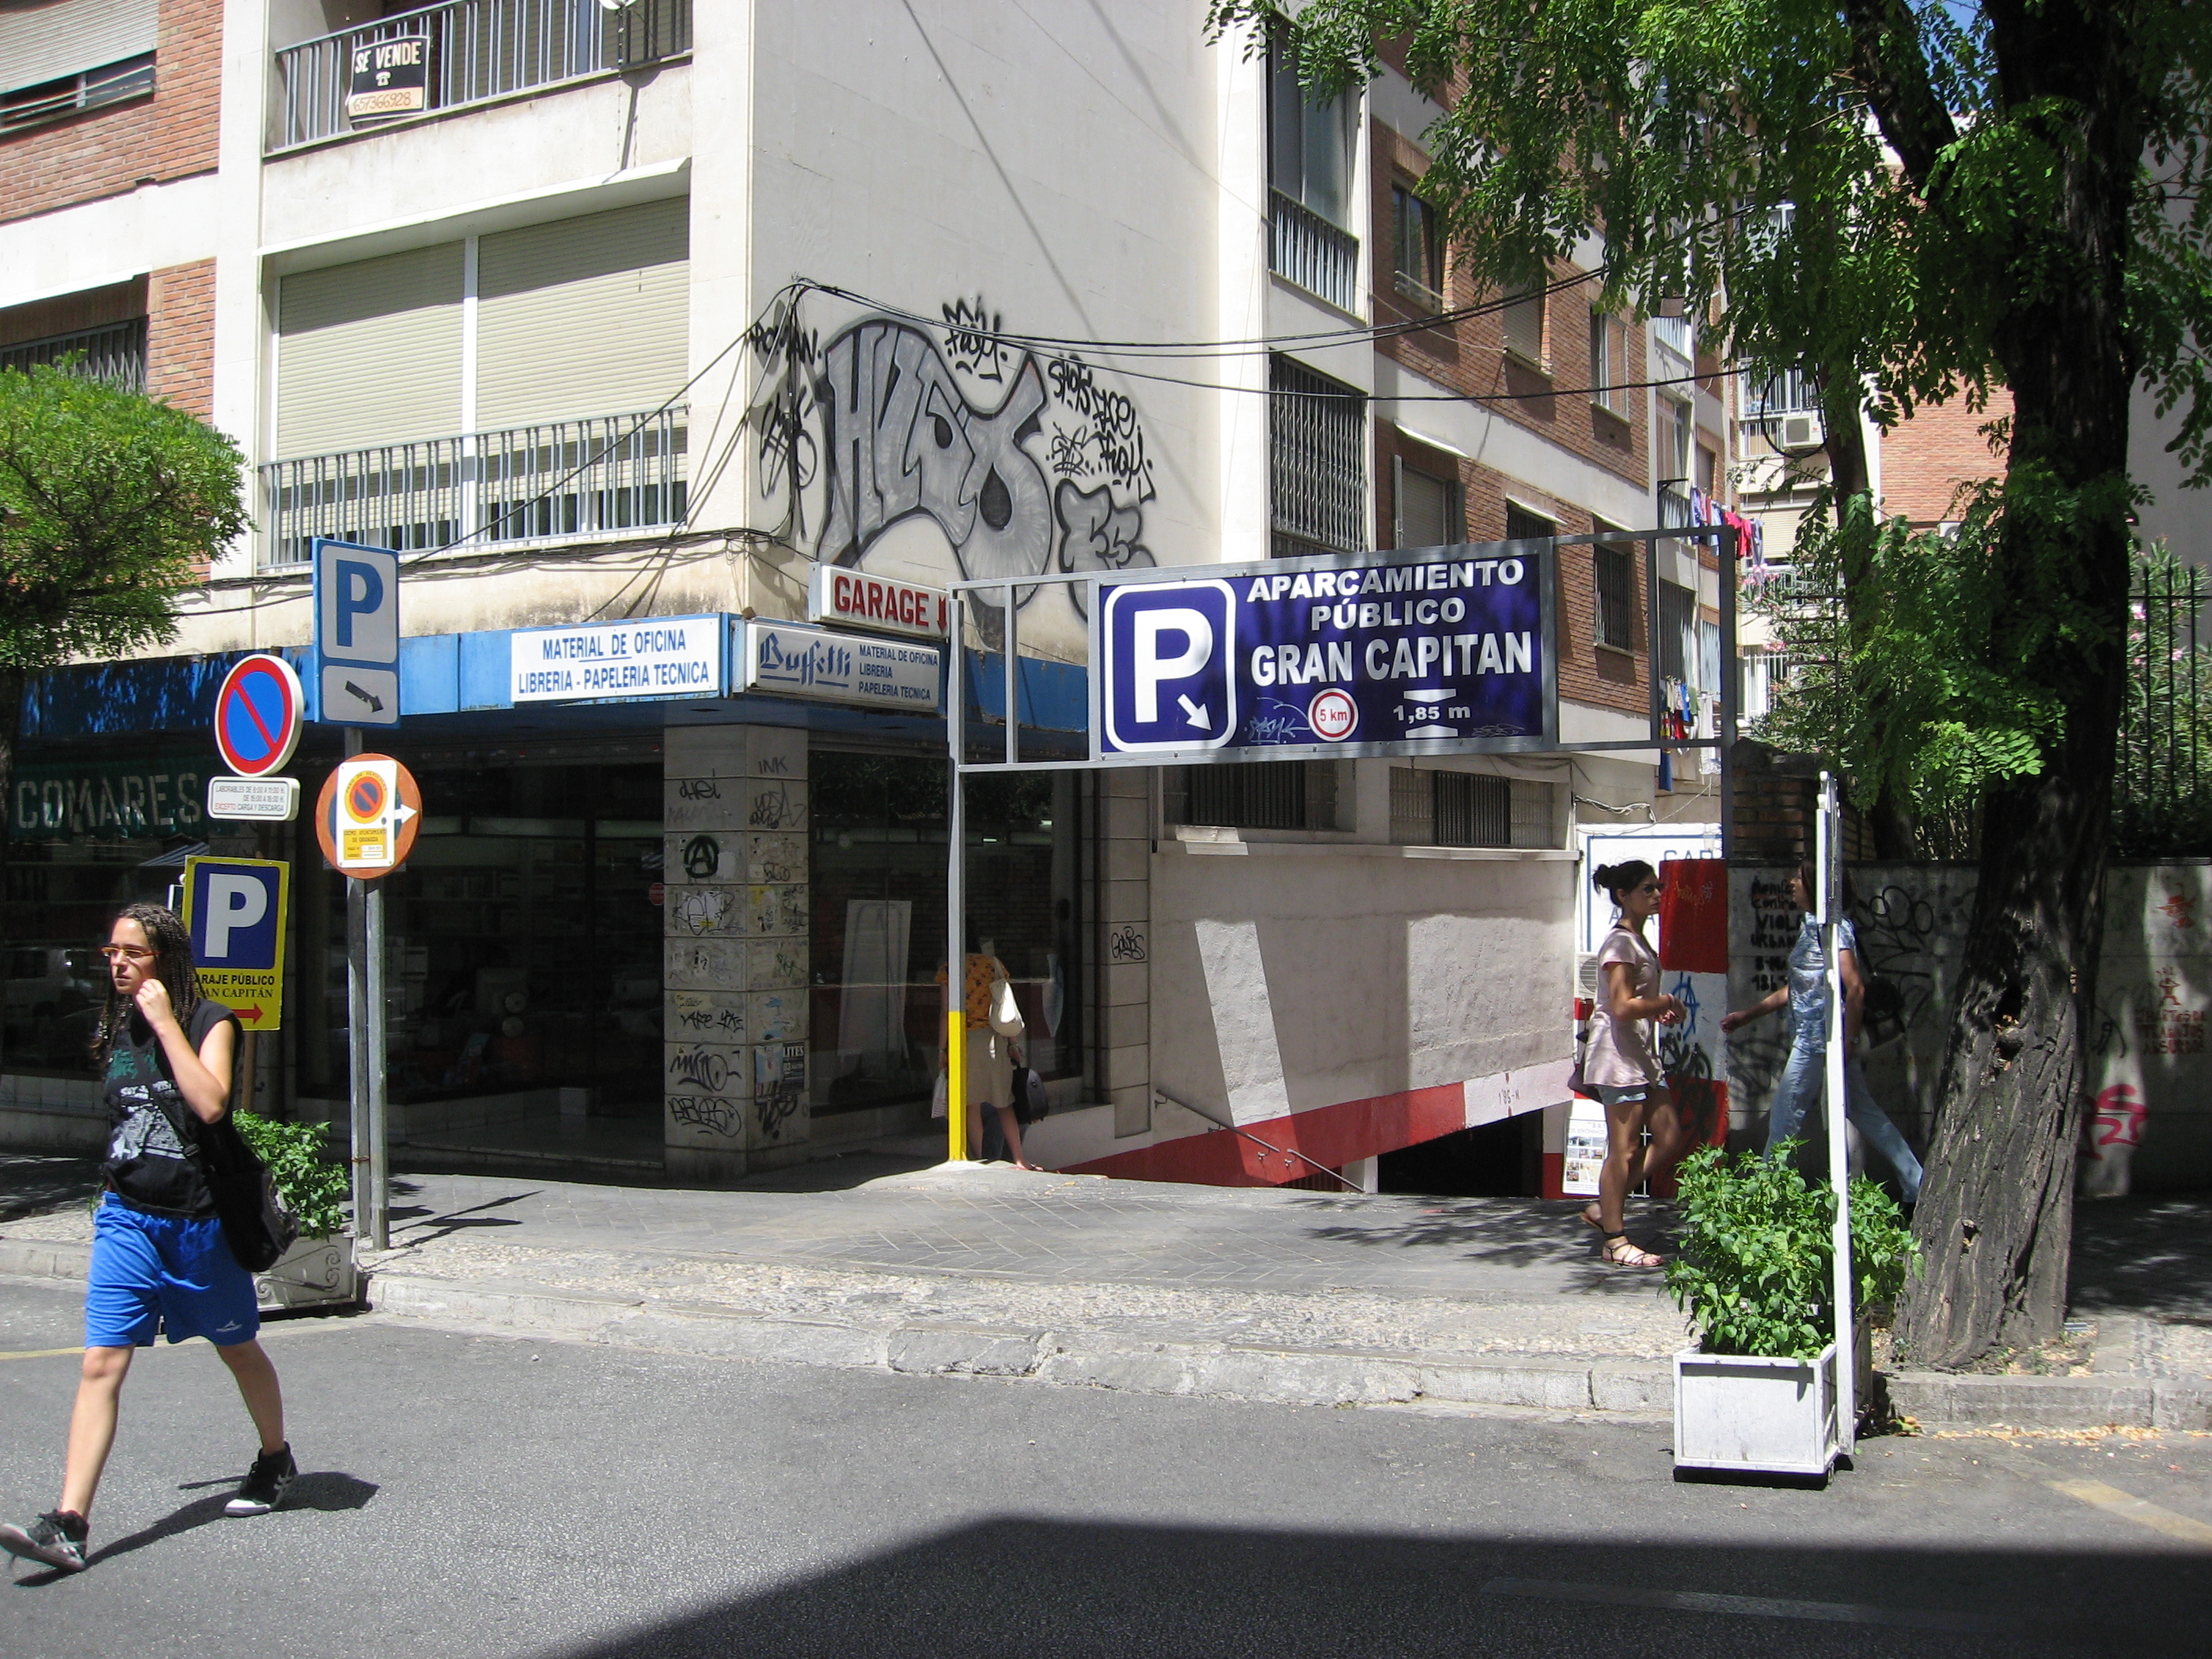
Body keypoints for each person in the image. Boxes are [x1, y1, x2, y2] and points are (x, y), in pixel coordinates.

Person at [1, 904, 295, 1577]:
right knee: (101, 1362)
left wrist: (165, 1024)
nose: (117, 964)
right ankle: (70, 1523)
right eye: (111, 953)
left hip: (199, 1224)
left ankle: (275, 1457)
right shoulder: (114, 1027)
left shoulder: (211, 1020)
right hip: (126, 1218)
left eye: (132, 953)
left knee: (237, 1348)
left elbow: (212, 1104)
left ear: (167, 958)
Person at [1720, 860, 1925, 1203]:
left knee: (1785, 1117)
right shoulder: (1812, 926)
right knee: (1863, 1110)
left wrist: (1849, 1040)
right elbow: (1800, 989)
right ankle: (1916, 1183)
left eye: (1798, 877)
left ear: (1816, 885)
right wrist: (1748, 1015)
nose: (1791, 882)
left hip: (1818, 1040)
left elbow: (1854, 987)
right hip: (1818, 1036)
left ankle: (1768, 1200)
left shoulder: (1833, 929)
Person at [1578, 862, 1690, 1267]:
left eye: (1657, 887)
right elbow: (1622, 1006)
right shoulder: (1621, 944)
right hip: (1618, 1058)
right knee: (1623, 1150)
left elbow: (1634, 1005)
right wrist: (1664, 1002)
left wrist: (1657, 1010)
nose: (1657, 895)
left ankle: (1606, 1205)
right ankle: (1615, 1239)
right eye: (1647, 889)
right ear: (1624, 896)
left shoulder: (1638, 941)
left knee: (1669, 1136)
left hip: (1641, 1056)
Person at [936, 929, 1039, 1170]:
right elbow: (1005, 1008)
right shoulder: (993, 965)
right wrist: (1013, 1044)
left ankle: (984, 1161)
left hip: (965, 1041)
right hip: (996, 1039)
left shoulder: (949, 969)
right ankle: (1019, 1158)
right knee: (1004, 1103)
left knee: (972, 1105)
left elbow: (945, 1014)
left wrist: (942, 1050)